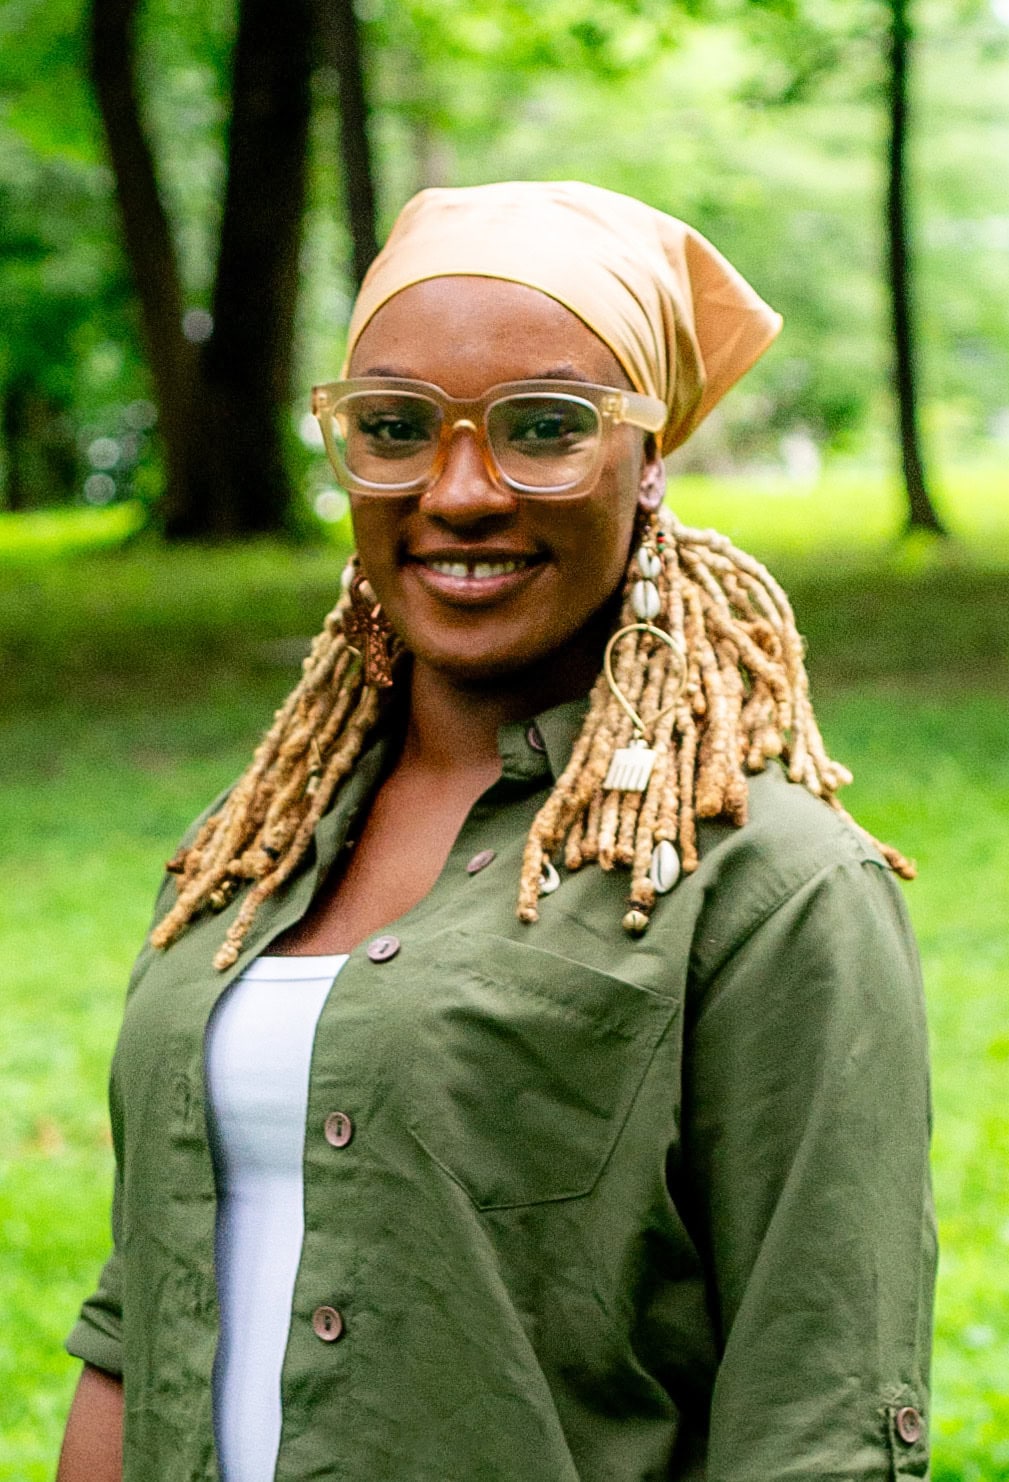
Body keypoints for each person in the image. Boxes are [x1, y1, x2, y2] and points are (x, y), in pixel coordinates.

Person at [57, 181, 935, 1482]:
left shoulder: (769, 888)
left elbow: (817, 1412)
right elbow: (145, 1310)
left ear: (649, 464)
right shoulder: (253, 848)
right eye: (396, 427)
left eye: (544, 429)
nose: (461, 491)